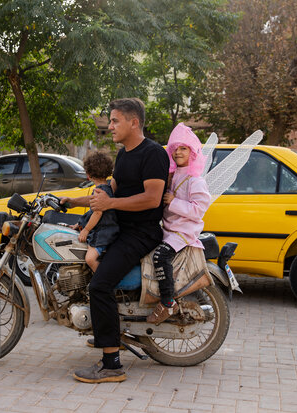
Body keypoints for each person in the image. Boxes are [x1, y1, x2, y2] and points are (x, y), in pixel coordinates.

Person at [61, 98, 169, 383]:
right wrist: (73, 201)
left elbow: (152, 199)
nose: (109, 126)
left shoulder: (153, 153)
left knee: (99, 286)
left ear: (134, 122)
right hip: (120, 228)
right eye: (110, 121)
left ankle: (111, 365)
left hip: (140, 233)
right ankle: (108, 329)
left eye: (114, 120)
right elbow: (107, 195)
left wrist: (110, 205)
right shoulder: (123, 155)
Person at [147, 123, 212, 324]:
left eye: (183, 148)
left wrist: (173, 202)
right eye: (175, 149)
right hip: (168, 229)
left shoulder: (195, 180)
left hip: (183, 232)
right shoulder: (173, 176)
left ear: (192, 153)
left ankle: (167, 302)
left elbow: (198, 210)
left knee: (160, 256)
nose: (178, 152)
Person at [71, 151, 119, 272]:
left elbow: (97, 213)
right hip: (107, 229)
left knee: (90, 259)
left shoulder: (99, 191)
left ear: (88, 174)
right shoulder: (107, 187)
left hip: (103, 233)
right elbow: (92, 211)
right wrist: (80, 224)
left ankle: (102, 282)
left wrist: (86, 230)